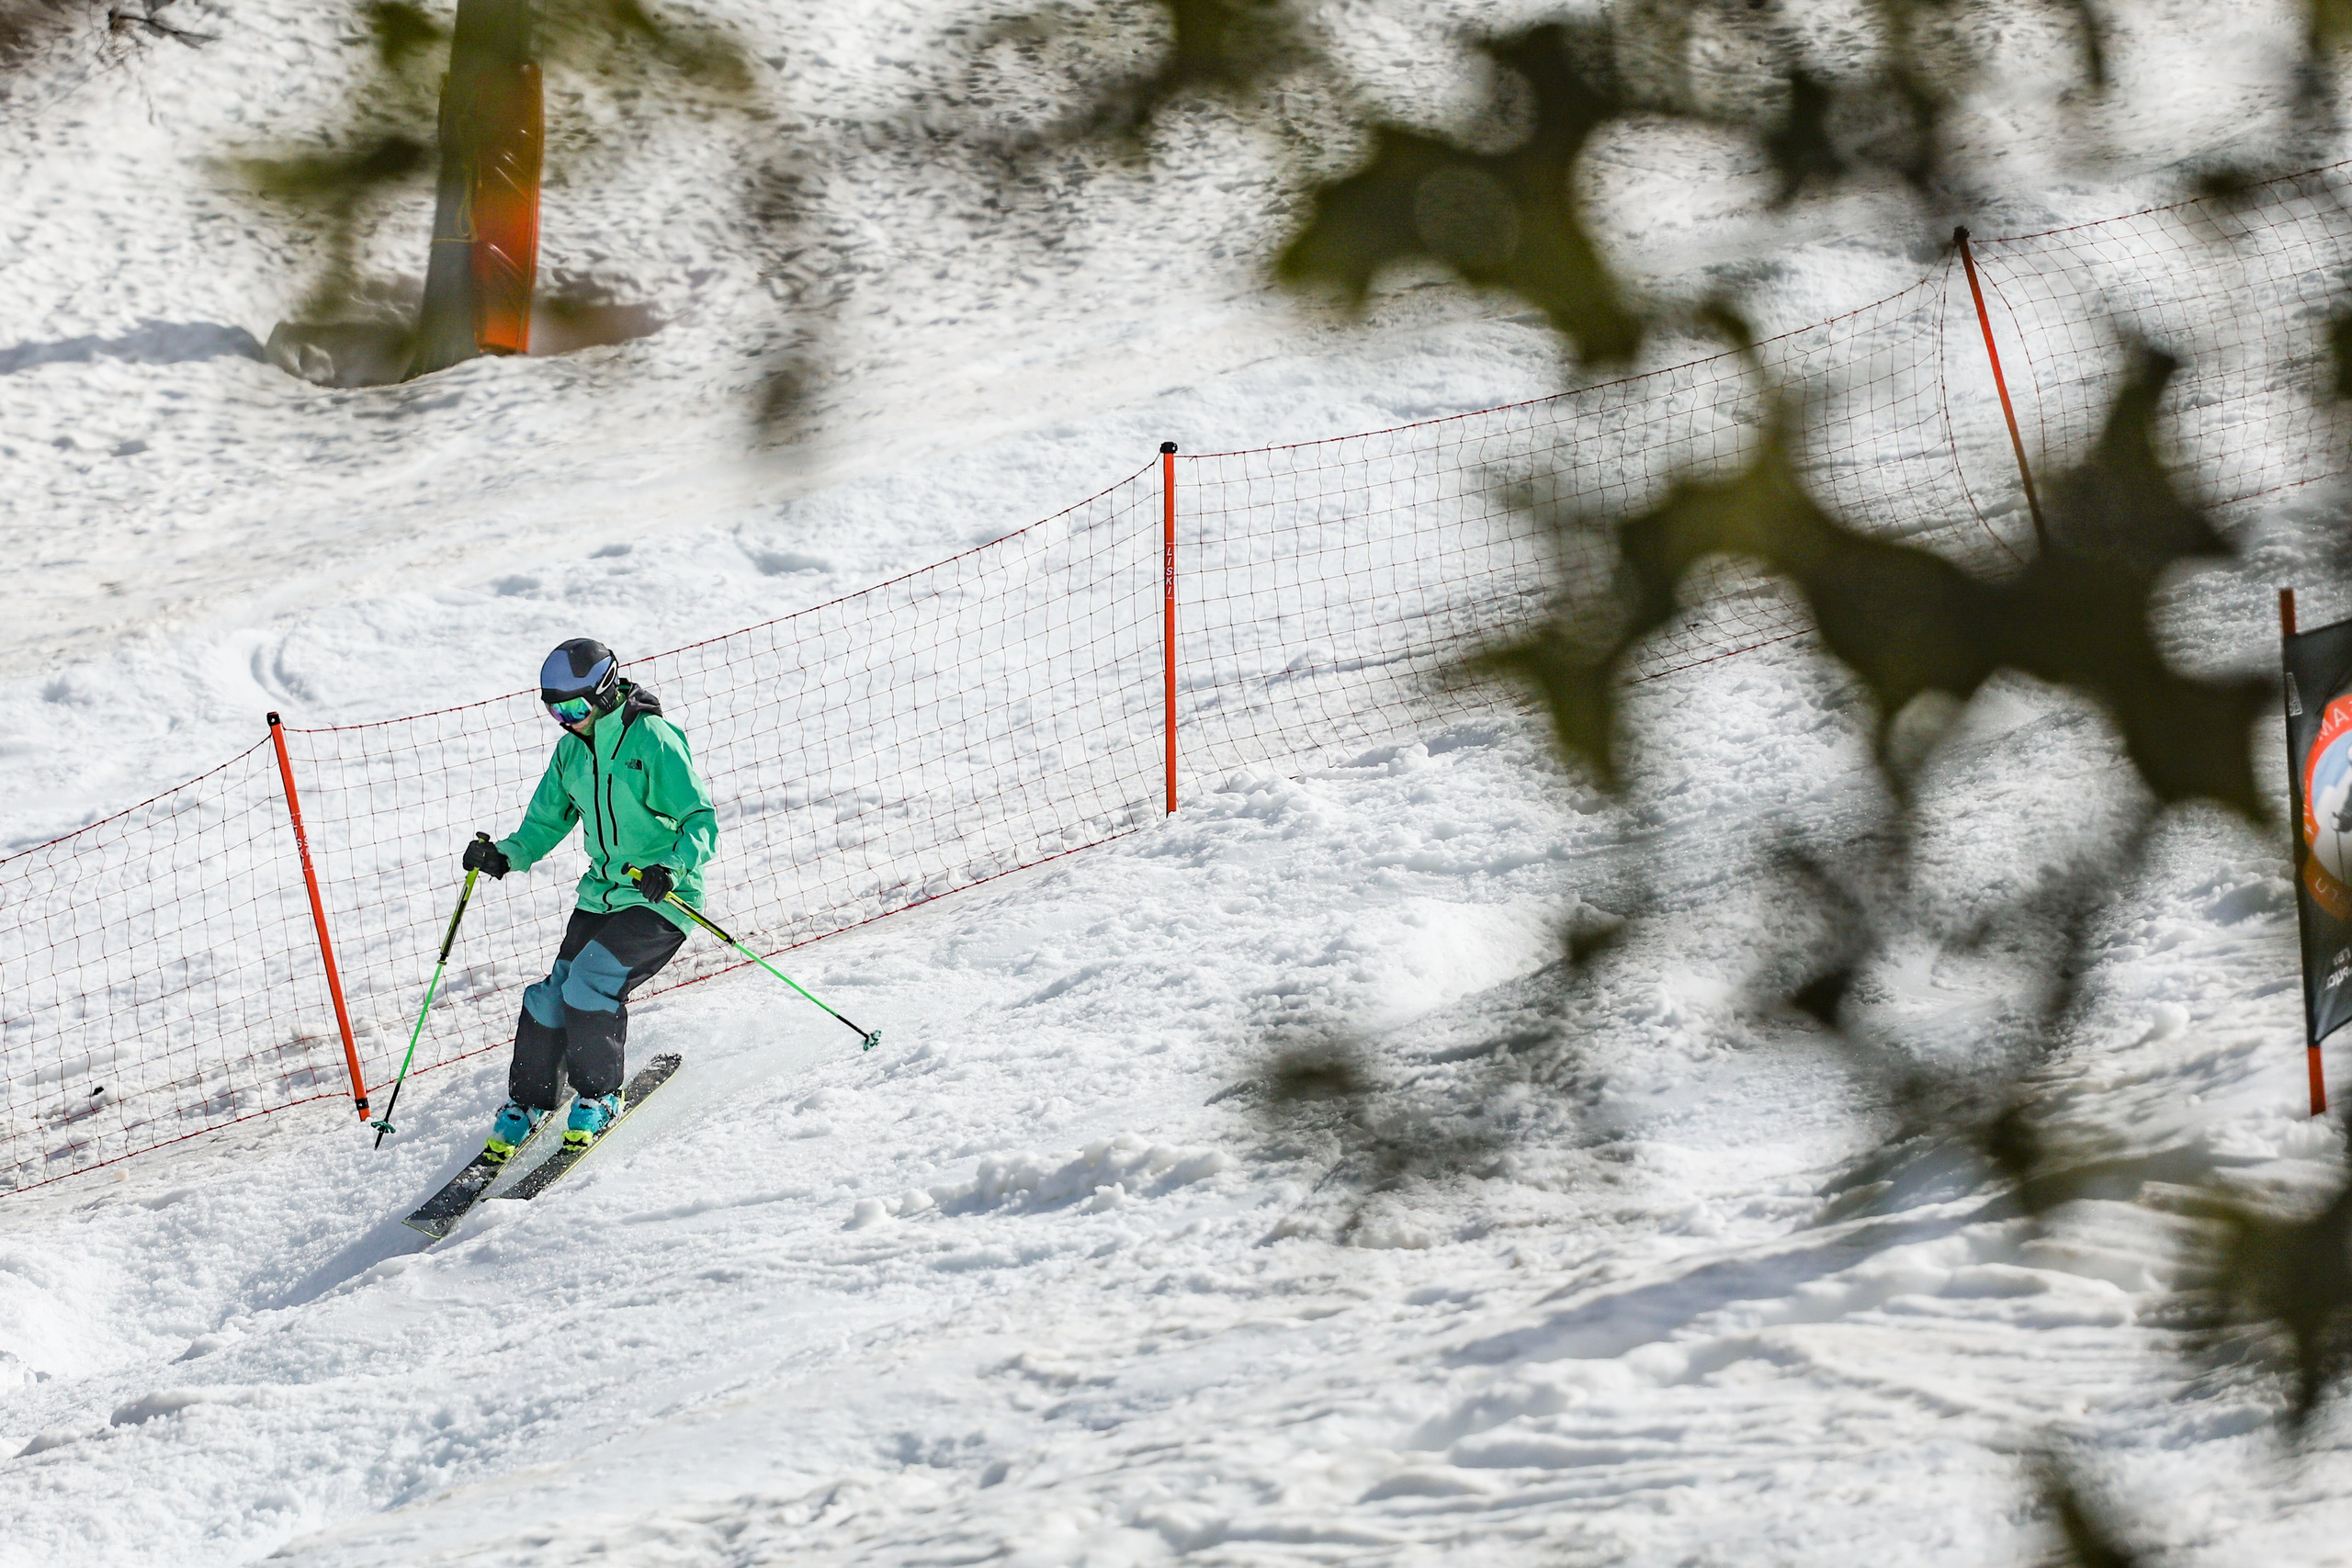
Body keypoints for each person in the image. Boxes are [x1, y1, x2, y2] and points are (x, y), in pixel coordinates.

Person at [460, 637, 718, 1161]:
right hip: (602, 896)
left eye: (575, 709)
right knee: (550, 995)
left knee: (589, 983)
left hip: (660, 897)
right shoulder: (571, 751)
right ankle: (530, 1102)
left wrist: (671, 868)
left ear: (603, 692)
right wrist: (504, 855)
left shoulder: (651, 739)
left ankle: (600, 1097)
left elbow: (700, 819)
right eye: (556, 711)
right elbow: (544, 823)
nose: (567, 721)